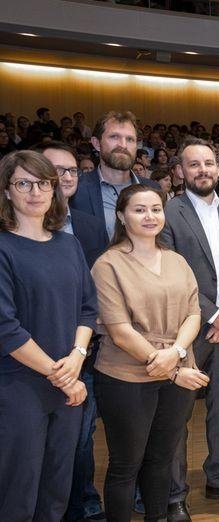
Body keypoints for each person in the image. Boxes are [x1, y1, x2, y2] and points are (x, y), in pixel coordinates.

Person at [91, 184, 209, 522]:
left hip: (178, 372)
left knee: (161, 459)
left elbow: (193, 314)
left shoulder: (176, 260)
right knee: (126, 465)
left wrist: (175, 351)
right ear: (121, 216)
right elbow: (119, 330)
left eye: (156, 209)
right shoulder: (108, 264)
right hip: (125, 377)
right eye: (139, 209)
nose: (149, 216)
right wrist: (171, 367)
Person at [0, 151, 96, 521]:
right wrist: (61, 375)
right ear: (7, 192)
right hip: (19, 387)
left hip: (69, 381)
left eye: (44, 183)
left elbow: (88, 309)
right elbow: (6, 327)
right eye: (23, 183)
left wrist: (76, 357)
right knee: (17, 492)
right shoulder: (4, 247)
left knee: (56, 489)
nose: (35, 191)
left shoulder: (68, 245)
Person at [161, 138, 219, 517]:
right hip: (184, 330)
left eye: (209, 163)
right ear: (180, 171)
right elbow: (168, 273)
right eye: (193, 164)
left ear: (218, 167)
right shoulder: (167, 211)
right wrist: (214, 315)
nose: (203, 170)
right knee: (178, 417)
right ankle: (175, 494)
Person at [33, 142, 109, 521]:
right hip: (28, 361)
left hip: (84, 354)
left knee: (78, 442)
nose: (63, 177)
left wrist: (79, 353)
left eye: (70, 171)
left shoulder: (90, 227)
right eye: (53, 170)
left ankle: (82, 506)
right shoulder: (12, 234)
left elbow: (92, 298)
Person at [69, 110, 159, 239]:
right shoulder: (76, 190)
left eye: (130, 139)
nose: (123, 145)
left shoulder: (154, 189)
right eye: (114, 137)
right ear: (96, 143)